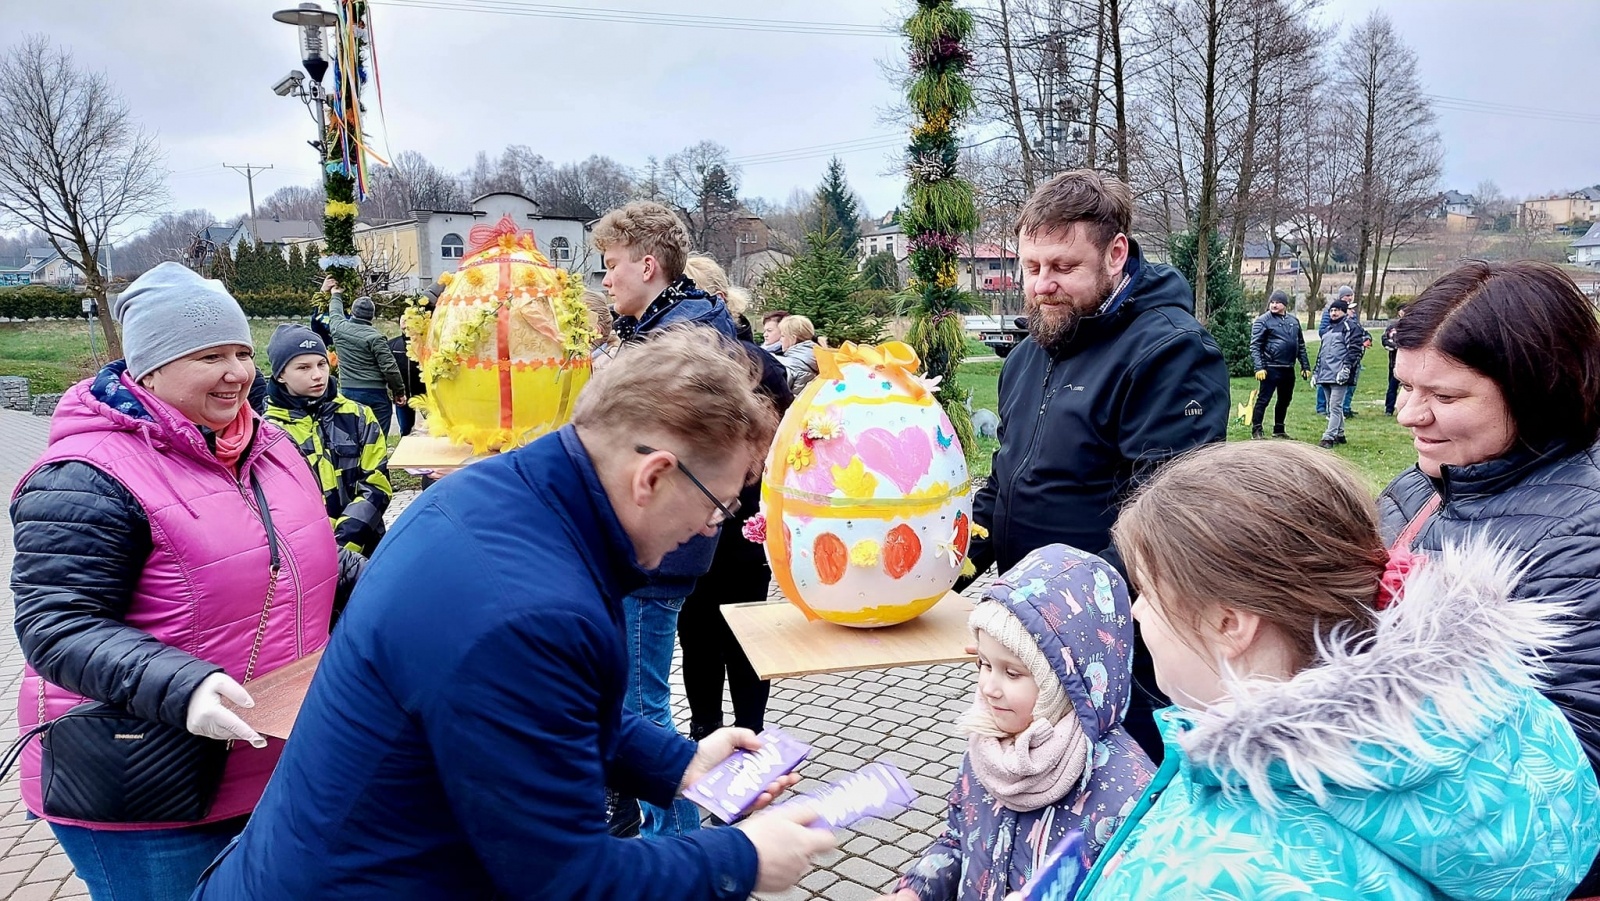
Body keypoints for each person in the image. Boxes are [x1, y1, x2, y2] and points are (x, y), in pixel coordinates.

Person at [193, 328, 836, 901]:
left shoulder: (495, 498)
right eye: (717, 506)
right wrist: (741, 858)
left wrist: (678, 765)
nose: (709, 528)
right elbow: (567, 880)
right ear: (654, 476)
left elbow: (541, 714)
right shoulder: (528, 613)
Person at [1074, 440, 1600, 899]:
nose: (1137, 611)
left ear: (1230, 622)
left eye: (1148, 592)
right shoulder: (1502, 723)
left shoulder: (1217, 877)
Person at [9, 262, 340, 901]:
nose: (238, 372)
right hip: (146, 779)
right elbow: (56, 626)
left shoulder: (267, 448)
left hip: (268, 759)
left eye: (243, 352)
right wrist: (186, 687)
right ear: (150, 369)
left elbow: (311, 561)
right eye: (210, 355)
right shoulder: (85, 474)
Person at [963, 169, 1231, 761]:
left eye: (1062, 268)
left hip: (1119, 639)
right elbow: (1007, 480)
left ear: (1115, 254)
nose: (1041, 286)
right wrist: (949, 562)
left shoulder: (1169, 351)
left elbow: (1166, 522)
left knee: (1111, 796)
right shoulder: (1029, 356)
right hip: (1033, 630)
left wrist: (1053, 608)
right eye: (1031, 268)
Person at [1378, 260, 1600, 896]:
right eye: (1405, 387)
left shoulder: (1582, 536)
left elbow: (1573, 762)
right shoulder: (1417, 490)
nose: (1408, 416)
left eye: (1445, 397)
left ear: (1537, 390)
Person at [877, 546, 1155, 901]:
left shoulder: (1128, 791)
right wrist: (915, 891)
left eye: (1012, 672)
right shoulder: (989, 745)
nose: (989, 688)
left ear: (1067, 682)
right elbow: (958, 841)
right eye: (983, 664)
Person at [591, 201, 739, 837]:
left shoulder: (676, 341)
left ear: (647, 265)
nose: (605, 279)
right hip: (656, 543)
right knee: (638, 697)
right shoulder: (675, 327)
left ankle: (674, 842)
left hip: (660, 548)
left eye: (612, 265)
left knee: (644, 706)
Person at [673, 256, 794, 741]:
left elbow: (787, 442)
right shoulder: (675, 365)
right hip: (686, 524)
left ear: (718, 304)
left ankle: (751, 735)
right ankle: (705, 734)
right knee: (696, 636)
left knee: (746, 634)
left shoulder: (760, 365)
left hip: (745, 523)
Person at [265, 324, 391, 563]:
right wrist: (318, 549)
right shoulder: (268, 432)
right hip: (305, 558)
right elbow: (276, 505)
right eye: (303, 367)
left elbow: (377, 484)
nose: (317, 375)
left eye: (321, 364)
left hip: (366, 549)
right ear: (280, 374)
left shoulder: (359, 416)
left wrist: (343, 543)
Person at [323, 276, 406, 436]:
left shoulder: (338, 328)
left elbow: (335, 313)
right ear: (372, 316)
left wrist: (335, 294)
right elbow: (389, 368)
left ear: (352, 312)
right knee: (377, 438)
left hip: (348, 391)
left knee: (353, 437)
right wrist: (399, 392)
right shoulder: (375, 337)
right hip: (375, 395)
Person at [1248, 289, 1311, 439]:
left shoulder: (1293, 321)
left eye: (1278, 302)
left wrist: (1305, 365)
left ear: (1285, 305)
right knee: (1264, 399)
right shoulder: (1263, 321)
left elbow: (1300, 344)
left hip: (1288, 368)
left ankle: (1279, 429)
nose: (1274, 305)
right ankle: (1257, 430)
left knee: (1284, 400)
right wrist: (1259, 367)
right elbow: (1255, 345)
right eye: (1272, 302)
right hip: (1270, 367)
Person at [389, 282, 440, 436]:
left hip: (425, 394)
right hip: (403, 396)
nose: (404, 323)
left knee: (434, 428)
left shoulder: (426, 344)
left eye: (407, 319)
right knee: (405, 429)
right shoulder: (392, 345)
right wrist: (394, 392)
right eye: (402, 320)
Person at [1314, 298, 1365, 449]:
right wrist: (1317, 372)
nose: (1334, 313)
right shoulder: (1328, 329)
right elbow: (1321, 353)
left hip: (1339, 374)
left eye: (1337, 310)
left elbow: (1355, 349)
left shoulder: (1350, 326)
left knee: (1335, 407)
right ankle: (1340, 434)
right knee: (1333, 407)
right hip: (1326, 374)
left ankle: (1328, 437)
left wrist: (1347, 368)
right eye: (1331, 310)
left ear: (1344, 311)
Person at [1316, 285, 1360, 417]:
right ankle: (1322, 407)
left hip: (1346, 355)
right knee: (1325, 381)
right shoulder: (1331, 311)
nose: (1350, 297)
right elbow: (1323, 330)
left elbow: (1357, 332)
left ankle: (1345, 408)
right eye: (1347, 295)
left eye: (1351, 295)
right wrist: (1335, 335)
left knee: (1346, 383)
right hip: (1331, 352)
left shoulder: (1352, 313)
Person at [778, 314, 820, 391]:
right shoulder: (816, 356)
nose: (780, 340)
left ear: (793, 338)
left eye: (783, 336)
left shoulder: (792, 365)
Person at [1381, 303, 1406, 416]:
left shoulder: (1415, 325)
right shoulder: (1393, 327)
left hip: (1409, 363)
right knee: (1392, 386)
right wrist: (1395, 345)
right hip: (1394, 362)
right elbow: (1385, 339)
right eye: (1402, 310)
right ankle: (1389, 409)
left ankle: (1406, 409)